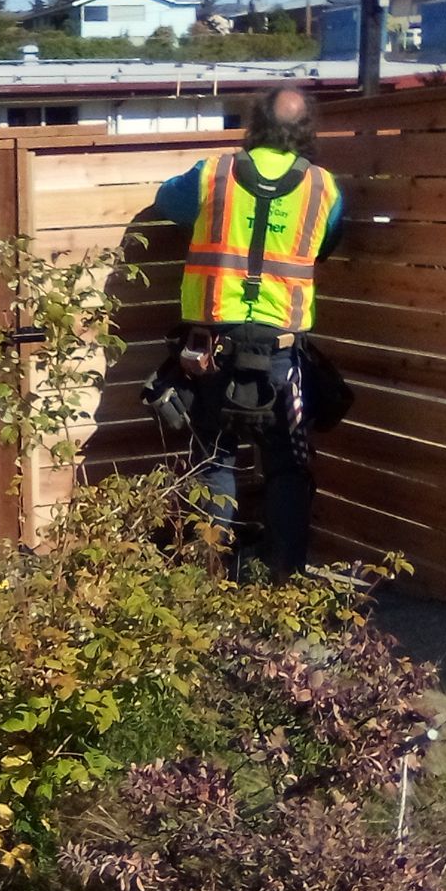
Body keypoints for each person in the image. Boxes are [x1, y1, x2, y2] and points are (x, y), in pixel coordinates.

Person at [146, 86, 344, 578]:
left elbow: (166, 201)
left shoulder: (211, 174)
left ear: (254, 121)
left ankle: (212, 578)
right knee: (287, 469)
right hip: (282, 357)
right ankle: (285, 584)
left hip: (211, 349)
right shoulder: (324, 189)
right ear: (305, 130)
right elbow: (324, 243)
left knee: (213, 460)